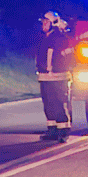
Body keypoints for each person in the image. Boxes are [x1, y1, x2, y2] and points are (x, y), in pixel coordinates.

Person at [36, 10, 73, 143]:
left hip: (58, 77)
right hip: (45, 77)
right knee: (48, 105)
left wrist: (54, 68)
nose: (43, 25)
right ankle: (52, 130)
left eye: (46, 22)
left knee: (59, 104)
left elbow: (63, 57)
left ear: (53, 24)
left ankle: (64, 131)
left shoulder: (60, 38)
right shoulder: (45, 37)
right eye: (43, 22)